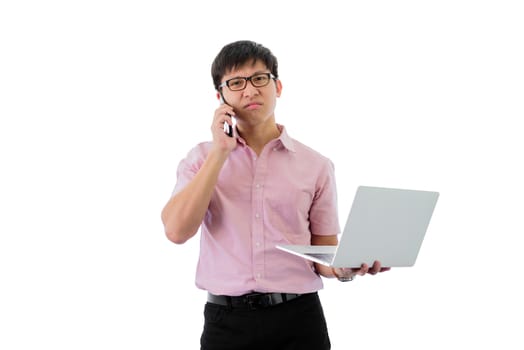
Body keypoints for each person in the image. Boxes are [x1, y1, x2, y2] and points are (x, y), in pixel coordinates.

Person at [161, 40, 390, 350]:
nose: (250, 90)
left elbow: (323, 253)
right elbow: (176, 231)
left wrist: (344, 268)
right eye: (236, 82)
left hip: (299, 321)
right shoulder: (201, 159)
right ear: (220, 97)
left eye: (259, 78)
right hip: (225, 323)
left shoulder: (316, 165)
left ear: (277, 86)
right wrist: (220, 152)